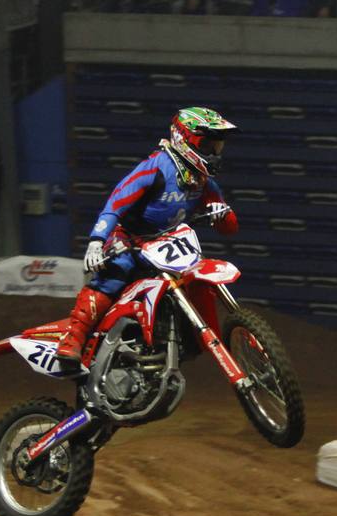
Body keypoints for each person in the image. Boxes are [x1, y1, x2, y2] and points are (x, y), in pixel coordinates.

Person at [55, 108, 240, 367]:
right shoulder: (156, 167)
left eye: (217, 145)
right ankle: (72, 339)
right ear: (184, 139)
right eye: (208, 144)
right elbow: (115, 202)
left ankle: (199, 339)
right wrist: (97, 241)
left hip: (170, 242)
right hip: (131, 240)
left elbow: (229, 228)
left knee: (197, 278)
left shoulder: (202, 180)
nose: (214, 152)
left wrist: (223, 213)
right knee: (114, 275)